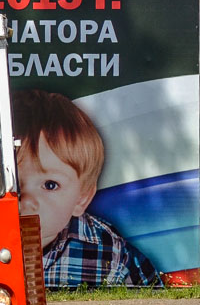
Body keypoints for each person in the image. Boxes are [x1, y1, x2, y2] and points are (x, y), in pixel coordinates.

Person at [12, 89, 160, 287]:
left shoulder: (112, 254)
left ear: (82, 198)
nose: (27, 201)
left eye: (50, 185)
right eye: (10, 182)